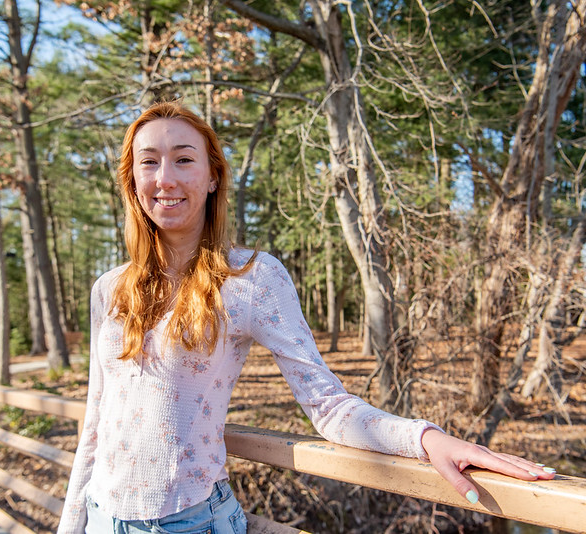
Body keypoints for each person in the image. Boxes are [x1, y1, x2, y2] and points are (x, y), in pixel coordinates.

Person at [58, 101, 556, 534]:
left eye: (183, 160)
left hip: (189, 523)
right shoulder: (110, 289)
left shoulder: (251, 279)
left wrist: (426, 439)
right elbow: (97, 422)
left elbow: (328, 406)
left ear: (212, 178)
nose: (165, 178)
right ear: (133, 180)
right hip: (102, 517)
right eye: (149, 162)